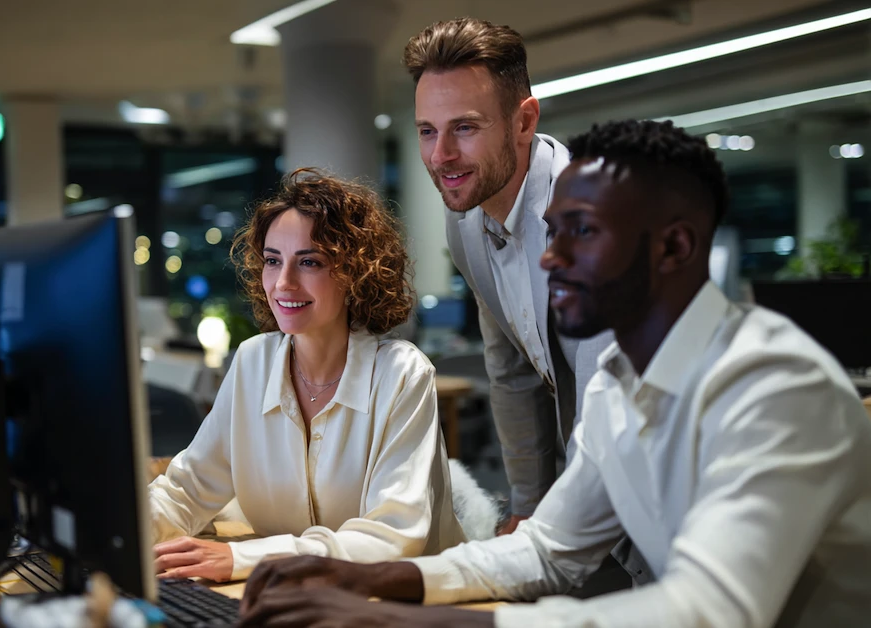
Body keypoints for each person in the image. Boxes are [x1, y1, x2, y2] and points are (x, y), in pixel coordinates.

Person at [236, 120, 871, 627]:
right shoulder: (618, 383)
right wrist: (367, 578)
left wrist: (394, 620)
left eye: (583, 232)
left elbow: (709, 610)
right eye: (554, 228)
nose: (550, 256)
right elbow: (547, 551)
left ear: (674, 248)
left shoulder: (776, 384)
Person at [147, 168, 466, 582]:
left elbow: (392, 538)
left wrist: (245, 559)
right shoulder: (252, 363)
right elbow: (187, 491)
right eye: (272, 261)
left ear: (356, 272)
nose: (283, 283)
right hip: (299, 594)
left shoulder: (402, 374)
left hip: (407, 604)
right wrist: (118, 534)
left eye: (310, 262)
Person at [404, 17, 613, 537]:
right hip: (601, 492)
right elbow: (511, 371)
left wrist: (547, 543)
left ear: (524, 122)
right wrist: (527, 508)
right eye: (428, 131)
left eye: (465, 128)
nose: (440, 156)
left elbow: (603, 411)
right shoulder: (467, 224)